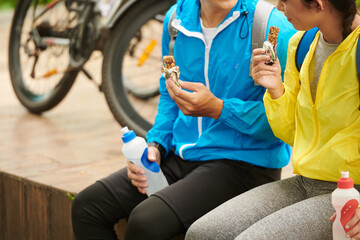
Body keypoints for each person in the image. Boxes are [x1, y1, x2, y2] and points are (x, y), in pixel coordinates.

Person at [71, 0, 296, 239]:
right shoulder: (175, 21)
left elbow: (287, 119)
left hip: (243, 163)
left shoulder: (271, 27)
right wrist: (156, 145)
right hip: (182, 154)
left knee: (145, 222)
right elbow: (170, 92)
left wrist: (219, 109)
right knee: (87, 206)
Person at [185, 0, 360, 239]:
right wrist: (276, 89)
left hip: (351, 193)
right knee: (203, 233)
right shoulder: (302, 44)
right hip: (305, 182)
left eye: (286, 0)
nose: (278, 6)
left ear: (318, 5)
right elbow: (292, 133)